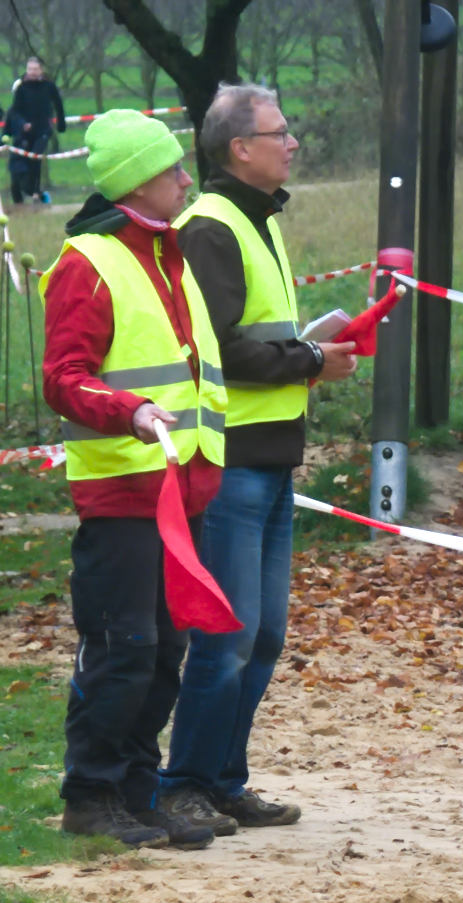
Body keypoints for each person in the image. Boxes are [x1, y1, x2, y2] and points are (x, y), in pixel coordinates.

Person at [158, 83, 358, 836]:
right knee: (227, 636)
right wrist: (307, 359)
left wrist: (306, 353)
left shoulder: (257, 218)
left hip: (272, 460)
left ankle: (222, 779)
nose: (293, 142)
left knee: (263, 636)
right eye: (280, 131)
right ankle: (183, 784)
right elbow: (218, 347)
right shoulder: (211, 226)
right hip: (232, 458)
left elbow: (255, 332)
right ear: (240, 149)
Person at [41, 109, 226, 850]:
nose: (186, 177)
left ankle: (137, 794)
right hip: (122, 494)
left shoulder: (168, 252)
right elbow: (63, 379)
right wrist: (132, 411)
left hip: (183, 493)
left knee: (164, 653)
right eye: (171, 168)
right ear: (133, 184)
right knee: (123, 649)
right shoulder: (90, 260)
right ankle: (90, 796)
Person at [5, 57, 65, 204]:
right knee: (22, 164)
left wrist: (61, 124)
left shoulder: (49, 86)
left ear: (41, 70)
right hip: (25, 132)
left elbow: (58, 104)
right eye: (29, 69)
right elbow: (15, 111)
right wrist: (22, 124)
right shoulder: (21, 88)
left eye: (35, 69)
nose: (32, 72)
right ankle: (31, 192)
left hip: (43, 130)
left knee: (35, 158)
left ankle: (36, 193)